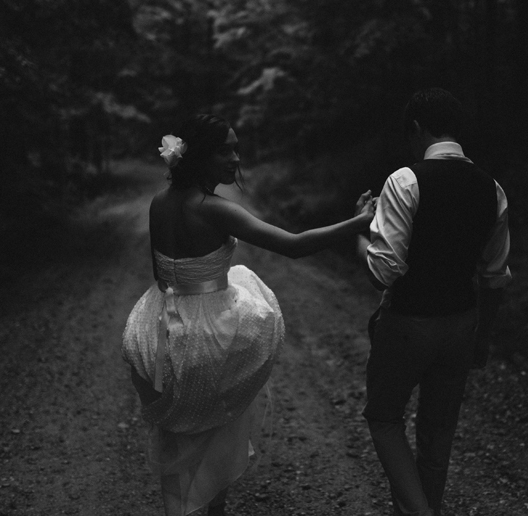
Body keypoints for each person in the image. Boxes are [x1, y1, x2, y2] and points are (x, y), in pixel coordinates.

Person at [122, 113, 375, 516]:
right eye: (225, 150)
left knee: (181, 431)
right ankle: (213, 509)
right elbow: (294, 245)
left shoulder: (159, 203)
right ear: (198, 155)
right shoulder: (213, 209)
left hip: (163, 326)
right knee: (218, 426)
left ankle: (182, 507)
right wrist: (359, 222)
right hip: (207, 333)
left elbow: (161, 274)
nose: (236, 159)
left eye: (237, 149)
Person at [357, 88, 512, 516]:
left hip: (408, 322)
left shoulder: (404, 180)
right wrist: (482, 338)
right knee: (438, 434)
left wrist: (365, 232)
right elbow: (494, 278)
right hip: (461, 323)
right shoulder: (492, 189)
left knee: (385, 418)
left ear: (417, 129)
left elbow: (381, 273)